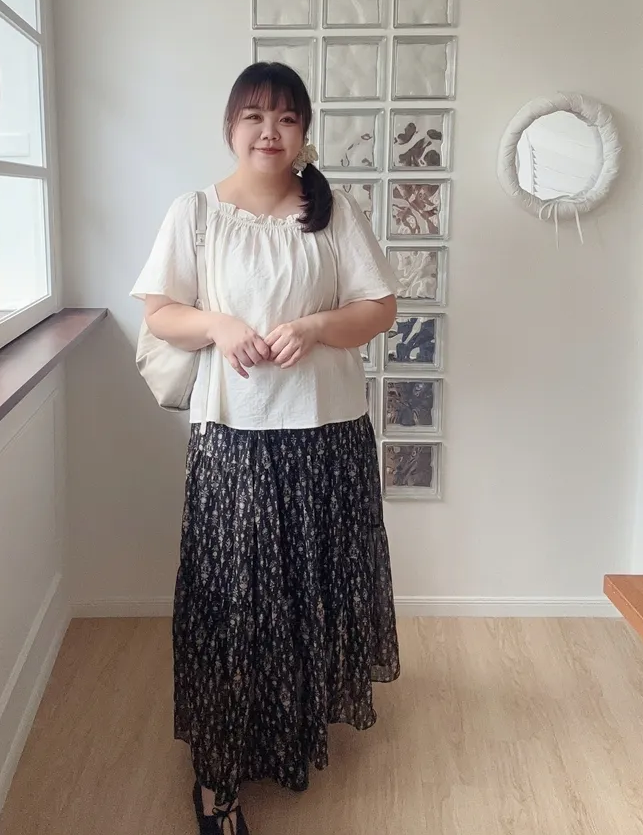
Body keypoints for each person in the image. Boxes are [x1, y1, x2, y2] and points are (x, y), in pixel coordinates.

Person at [130, 62, 401, 834]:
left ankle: (288, 729)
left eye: (286, 118)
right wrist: (217, 324)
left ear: (304, 131)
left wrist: (315, 326)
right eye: (254, 116)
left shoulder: (333, 212)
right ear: (231, 127)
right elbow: (159, 312)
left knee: (310, 592)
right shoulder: (196, 214)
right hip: (234, 436)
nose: (269, 131)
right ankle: (217, 781)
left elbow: (379, 308)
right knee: (231, 602)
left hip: (328, 433)